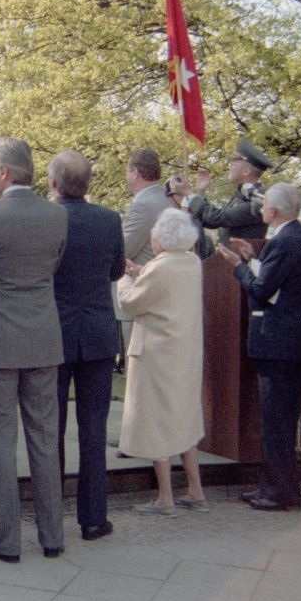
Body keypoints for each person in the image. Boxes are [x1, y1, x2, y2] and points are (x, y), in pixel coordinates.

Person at [0, 137, 68, 561]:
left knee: (2, 440)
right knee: (45, 439)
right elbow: (54, 265)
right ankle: (52, 536)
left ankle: (7, 539)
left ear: (4, 172)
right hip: (43, 335)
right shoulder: (57, 215)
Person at [220, 183, 301, 512]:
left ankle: (279, 492)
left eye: (264, 207)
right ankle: (276, 485)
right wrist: (252, 258)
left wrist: (237, 265)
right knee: (281, 418)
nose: (261, 211)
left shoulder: (285, 241)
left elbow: (263, 291)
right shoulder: (299, 238)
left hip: (277, 341)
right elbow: (279, 283)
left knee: (276, 420)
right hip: (290, 340)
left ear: (273, 211)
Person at [48, 150, 125, 541]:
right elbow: (116, 271)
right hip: (96, 332)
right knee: (93, 429)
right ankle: (94, 517)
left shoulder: (47, 219)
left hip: (55, 333)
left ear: (53, 183)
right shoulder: (110, 220)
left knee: (52, 429)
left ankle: (52, 516)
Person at [117, 208, 207, 516]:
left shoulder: (160, 268)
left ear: (162, 238)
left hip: (156, 353)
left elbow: (130, 303)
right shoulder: (191, 262)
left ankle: (165, 497)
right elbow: (166, 289)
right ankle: (195, 489)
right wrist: (139, 272)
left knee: (156, 421)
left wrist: (123, 280)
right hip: (184, 353)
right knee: (185, 417)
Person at [117, 148, 171, 370]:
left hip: (138, 298)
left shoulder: (142, 205)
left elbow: (123, 250)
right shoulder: (162, 200)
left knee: (136, 372)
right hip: (155, 297)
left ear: (135, 172)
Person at [180, 138, 272, 244]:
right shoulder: (243, 194)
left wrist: (189, 194)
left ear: (246, 171)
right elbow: (210, 221)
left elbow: (217, 218)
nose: (230, 168)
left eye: (233, 165)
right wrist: (200, 192)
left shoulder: (256, 200)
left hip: (242, 259)